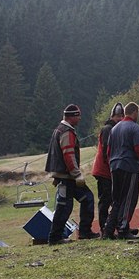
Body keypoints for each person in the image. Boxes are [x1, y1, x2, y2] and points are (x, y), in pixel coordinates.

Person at [45, 104, 99, 245]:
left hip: (64, 176)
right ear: (72, 117)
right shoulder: (66, 131)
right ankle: (57, 237)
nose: (80, 118)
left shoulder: (59, 129)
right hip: (67, 177)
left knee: (82, 200)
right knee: (67, 206)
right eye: (78, 116)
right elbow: (68, 154)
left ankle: (82, 233)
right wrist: (77, 174)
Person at [103, 102, 139, 239]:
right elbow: (138, 149)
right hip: (128, 166)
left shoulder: (114, 129)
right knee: (129, 198)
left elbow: (108, 150)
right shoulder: (135, 127)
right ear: (135, 112)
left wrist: (111, 164)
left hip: (114, 165)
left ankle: (109, 229)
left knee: (117, 199)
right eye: (138, 113)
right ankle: (123, 229)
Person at [91, 103, 124, 235]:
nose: (120, 119)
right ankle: (104, 227)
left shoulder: (116, 129)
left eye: (122, 116)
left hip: (109, 171)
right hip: (104, 171)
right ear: (112, 116)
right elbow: (106, 150)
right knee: (105, 200)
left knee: (113, 199)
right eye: (118, 116)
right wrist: (112, 166)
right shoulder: (107, 129)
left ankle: (113, 226)